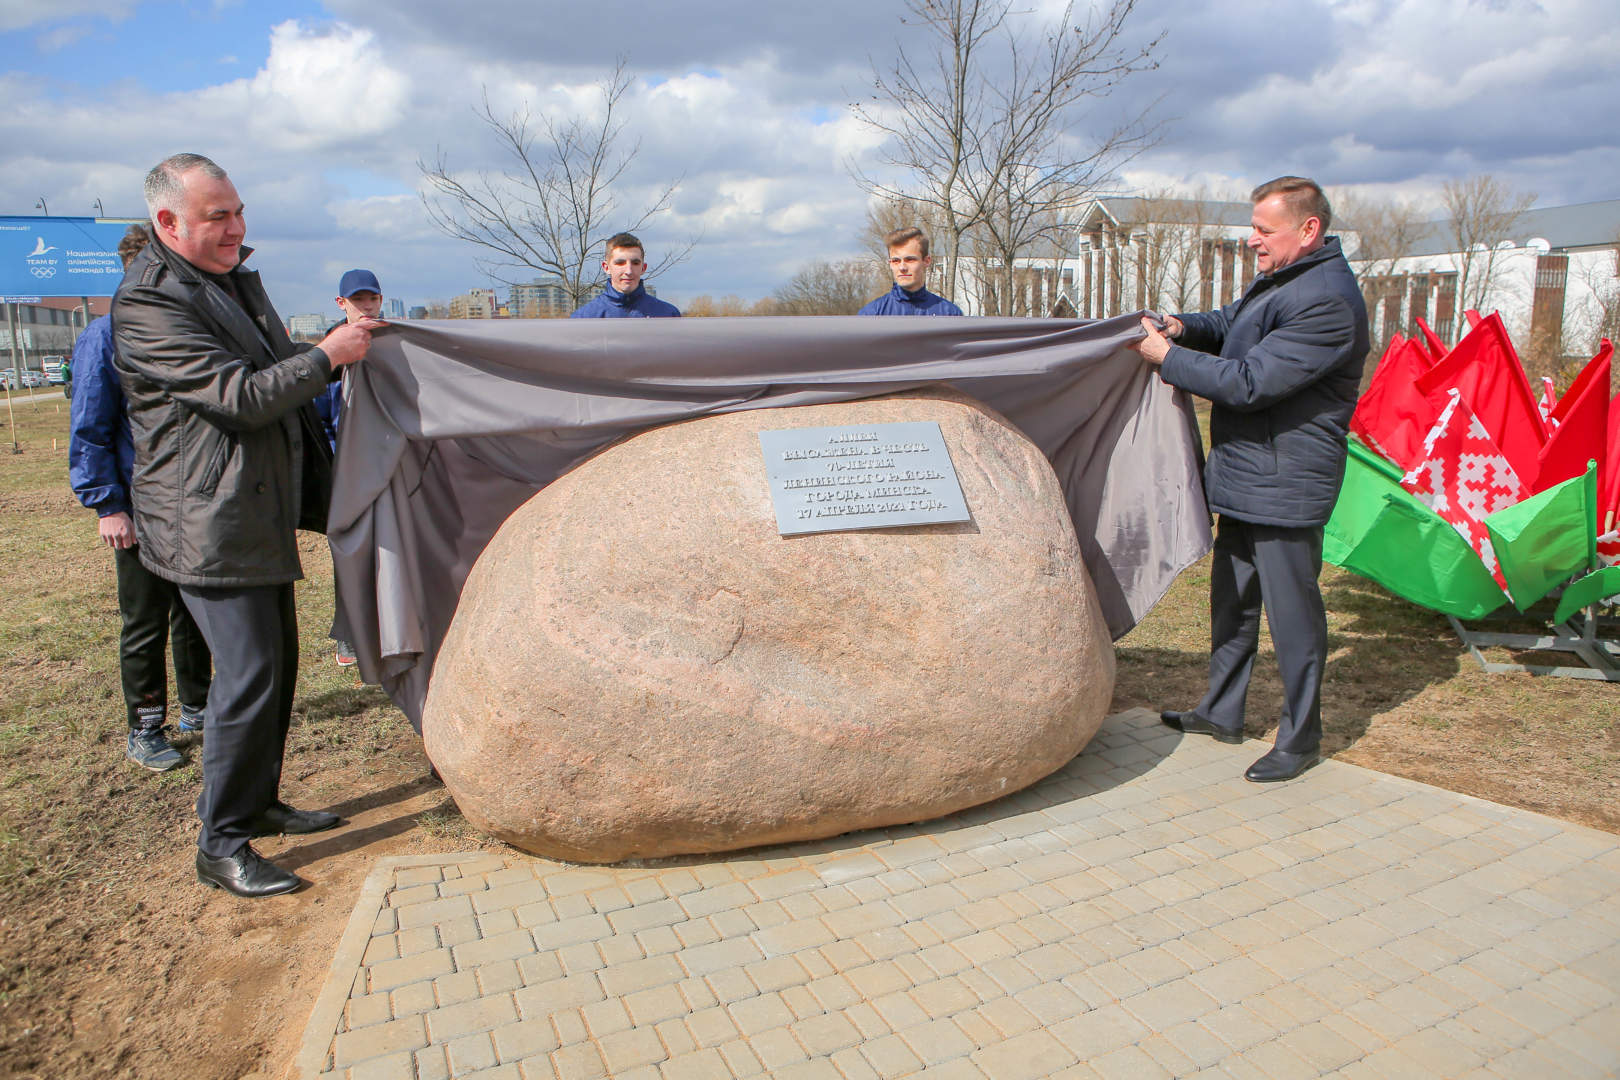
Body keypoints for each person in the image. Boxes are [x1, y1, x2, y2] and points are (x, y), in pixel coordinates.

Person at [113, 153, 380, 898]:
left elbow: (269, 363)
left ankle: (257, 802)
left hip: (250, 509)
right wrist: (328, 357)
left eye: (237, 212)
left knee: (277, 670)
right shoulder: (149, 303)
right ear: (168, 222)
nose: (235, 229)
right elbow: (238, 395)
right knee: (249, 676)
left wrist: (332, 346)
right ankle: (220, 841)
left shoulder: (224, 280)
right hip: (207, 521)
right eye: (216, 217)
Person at [1133, 176, 1369, 784]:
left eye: (1264, 230)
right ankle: (1222, 710)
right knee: (1233, 602)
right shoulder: (1283, 278)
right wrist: (1183, 327)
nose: (1252, 241)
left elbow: (1248, 381)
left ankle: (1300, 737)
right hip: (1246, 474)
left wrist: (1168, 360)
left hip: (1286, 482)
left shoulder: (1326, 299)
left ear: (1308, 229)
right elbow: (1232, 322)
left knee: (1292, 616)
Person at [69, 224, 213, 772]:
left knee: (193, 612)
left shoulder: (179, 328)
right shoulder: (105, 335)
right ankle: (145, 726)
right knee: (145, 618)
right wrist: (108, 504)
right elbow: (90, 426)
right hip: (135, 506)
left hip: (185, 504)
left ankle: (197, 707)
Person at [319, 269, 385, 667]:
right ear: (341, 304)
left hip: (391, 464)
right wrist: (340, 458)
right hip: (346, 470)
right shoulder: (327, 355)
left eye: (372, 298)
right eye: (357, 300)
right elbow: (321, 419)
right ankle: (349, 635)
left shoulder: (396, 345)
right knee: (349, 551)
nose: (366, 306)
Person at [569, 232, 681, 318]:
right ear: (606, 267)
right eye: (620, 263)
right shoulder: (585, 317)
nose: (629, 271)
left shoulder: (668, 315)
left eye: (635, 263)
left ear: (643, 268)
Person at [858, 228, 963, 316]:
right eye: (896, 261)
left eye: (910, 260)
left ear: (926, 261)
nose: (902, 267)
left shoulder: (950, 314)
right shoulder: (872, 314)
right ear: (890, 263)